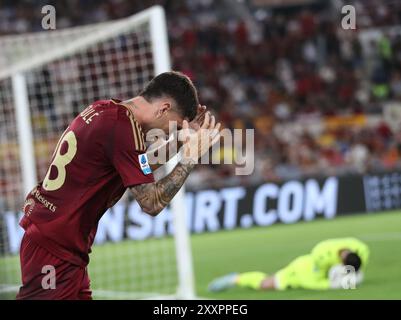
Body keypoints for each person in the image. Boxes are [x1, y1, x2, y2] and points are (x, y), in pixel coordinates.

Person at [17, 71, 221, 300]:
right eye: (173, 127)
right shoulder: (123, 127)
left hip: (63, 244)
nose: (169, 132)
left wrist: (179, 143)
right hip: (53, 245)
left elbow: (136, 166)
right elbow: (151, 202)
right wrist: (190, 158)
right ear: (163, 108)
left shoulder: (107, 111)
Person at [208, 237, 369, 292]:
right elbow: (313, 282)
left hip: (315, 268)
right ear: (340, 262)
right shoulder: (322, 253)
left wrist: (351, 275)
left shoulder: (362, 249)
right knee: (266, 284)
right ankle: (235, 279)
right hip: (303, 270)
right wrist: (332, 284)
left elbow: (359, 265)